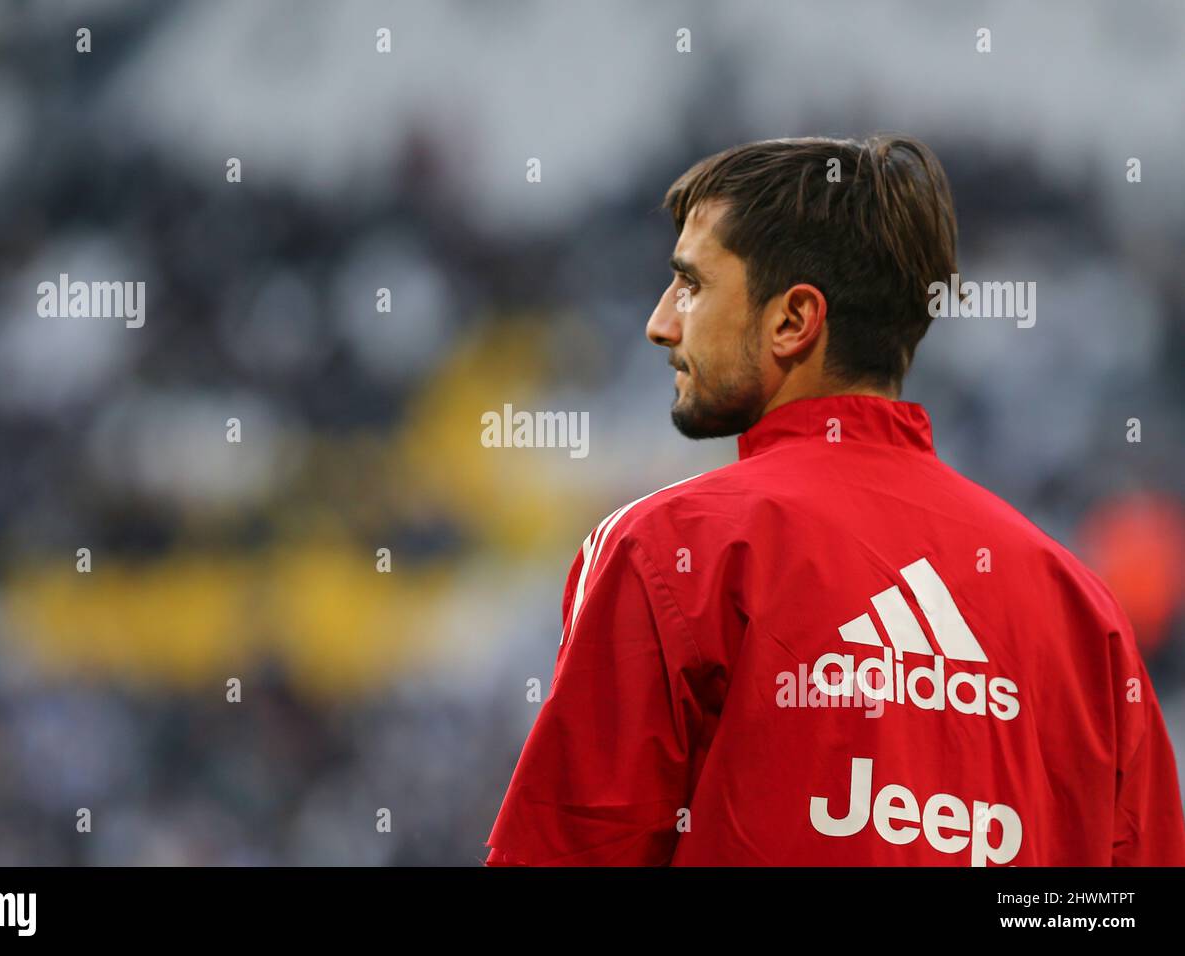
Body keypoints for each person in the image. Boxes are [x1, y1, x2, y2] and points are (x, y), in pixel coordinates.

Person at [485, 135, 1185, 866]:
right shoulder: (1081, 612)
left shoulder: (672, 550)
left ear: (794, 321)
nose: (661, 323)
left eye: (691, 285)